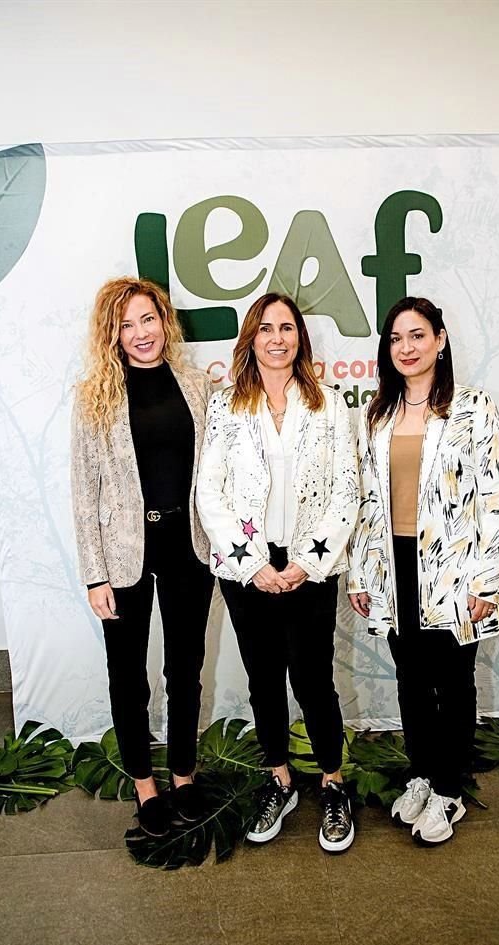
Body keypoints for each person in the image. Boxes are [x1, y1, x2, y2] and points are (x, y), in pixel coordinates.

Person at [196, 292, 359, 853]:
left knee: (313, 679)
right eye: (265, 328)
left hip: (311, 566)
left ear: (300, 339)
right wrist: (253, 566)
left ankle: (333, 783)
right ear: (251, 338)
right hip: (249, 570)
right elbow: (209, 493)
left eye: (286, 328)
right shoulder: (226, 406)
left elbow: (346, 490)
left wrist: (309, 565)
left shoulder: (331, 405)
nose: (276, 338)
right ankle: (279, 779)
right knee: (263, 677)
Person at [348, 297, 499, 846]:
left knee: (453, 681)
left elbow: (494, 496)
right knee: (411, 680)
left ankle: (449, 789)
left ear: (440, 340)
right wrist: (361, 575)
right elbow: (370, 501)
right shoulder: (379, 414)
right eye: (396, 339)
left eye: (417, 336)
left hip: (453, 569)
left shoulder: (472, 407)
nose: (407, 348)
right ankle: (420, 774)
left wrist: (485, 580)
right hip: (394, 566)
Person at [71, 276, 214, 838]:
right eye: (125, 325)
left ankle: (182, 775)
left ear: (164, 320)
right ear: (112, 335)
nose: (140, 333)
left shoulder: (198, 386)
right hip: (123, 554)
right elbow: (85, 493)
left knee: (185, 671)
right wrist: (93, 575)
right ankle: (145, 787)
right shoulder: (94, 397)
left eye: (147, 319)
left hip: (190, 548)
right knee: (127, 677)